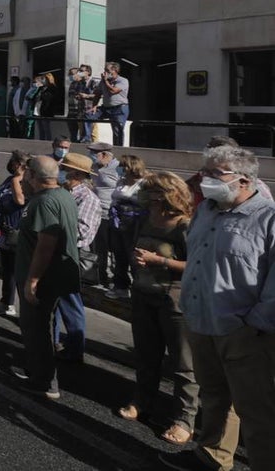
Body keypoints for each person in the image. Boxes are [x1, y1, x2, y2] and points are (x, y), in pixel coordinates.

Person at [160, 145, 275, 471]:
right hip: (201, 320)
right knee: (213, 397)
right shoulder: (207, 211)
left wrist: (254, 324)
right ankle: (212, 457)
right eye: (206, 172)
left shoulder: (267, 218)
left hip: (244, 331)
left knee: (257, 410)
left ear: (243, 180)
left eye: (215, 173)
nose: (206, 180)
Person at [118, 172, 198, 448]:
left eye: (152, 192)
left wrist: (159, 261)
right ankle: (142, 401)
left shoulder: (184, 226)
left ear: (167, 194)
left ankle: (185, 419)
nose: (146, 196)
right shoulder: (144, 219)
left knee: (183, 365)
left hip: (174, 301)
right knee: (146, 356)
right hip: (143, 295)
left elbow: (197, 265)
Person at [13, 155, 80, 400]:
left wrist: (32, 280)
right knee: (43, 326)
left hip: (43, 277)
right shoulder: (62, 196)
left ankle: (44, 381)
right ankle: (37, 370)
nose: (24, 176)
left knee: (36, 328)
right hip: (54, 276)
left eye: (27, 172)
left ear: (34, 176)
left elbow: (46, 245)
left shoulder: (43, 202)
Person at [56, 152, 102, 363]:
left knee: (69, 301)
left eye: (65, 169)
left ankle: (75, 349)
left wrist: (53, 230)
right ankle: (52, 341)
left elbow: (82, 231)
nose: (61, 172)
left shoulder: (87, 198)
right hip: (55, 251)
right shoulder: (64, 192)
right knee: (53, 301)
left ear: (76, 173)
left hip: (69, 255)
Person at [0, 151, 28, 317]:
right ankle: (6, 302)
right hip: (6, 231)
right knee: (8, 270)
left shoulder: (24, 182)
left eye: (16, 163)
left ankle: (25, 310)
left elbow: (20, 201)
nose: (13, 166)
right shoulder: (9, 180)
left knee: (17, 272)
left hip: (17, 232)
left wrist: (18, 179)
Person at [105, 154, 147, 300]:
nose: (120, 169)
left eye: (123, 166)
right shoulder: (121, 181)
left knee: (132, 256)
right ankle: (120, 286)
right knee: (119, 255)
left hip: (133, 224)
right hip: (117, 221)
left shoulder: (143, 184)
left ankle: (139, 288)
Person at [88, 141, 121, 289]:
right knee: (100, 250)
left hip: (113, 216)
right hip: (97, 214)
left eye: (94, 154)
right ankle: (102, 279)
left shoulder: (119, 168)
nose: (91, 156)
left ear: (104, 154)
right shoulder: (93, 167)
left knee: (115, 250)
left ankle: (117, 280)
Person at [100, 61, 129, 146]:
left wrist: (105, 81)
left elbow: (113, 91)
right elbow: (97, 93)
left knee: (117, 129)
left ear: (114, 70)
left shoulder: (123, 80)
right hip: (106, 108)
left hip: (119, 108)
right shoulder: (103, 81)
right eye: (104, 70)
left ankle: (118, 148)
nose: (105, 73)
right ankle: (86, 140)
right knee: (89, 115)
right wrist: (94, 106)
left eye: (107, 71)